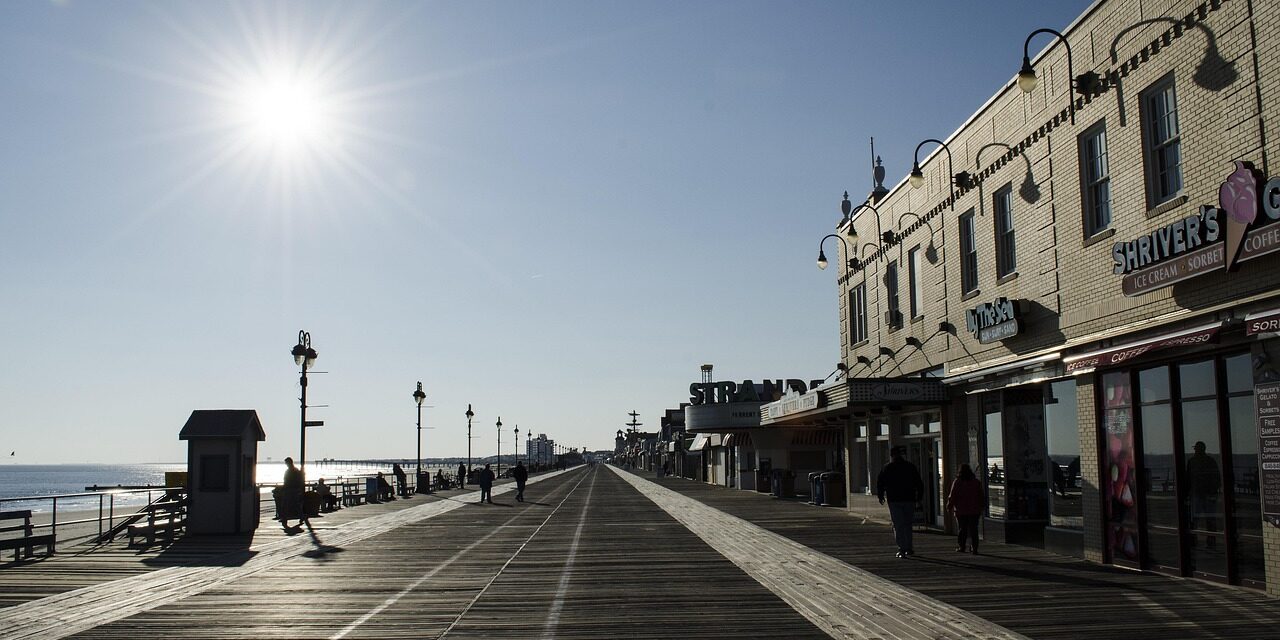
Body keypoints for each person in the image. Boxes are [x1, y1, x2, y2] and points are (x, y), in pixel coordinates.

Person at [877, 445, 924, 558]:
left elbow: (880, 483)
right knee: (908, 524)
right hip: (909, 498)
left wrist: (880, 496)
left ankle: (901, 549)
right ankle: (909, 547)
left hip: (894, 499)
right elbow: (919, 482)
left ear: (891, 455)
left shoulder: (887, 468)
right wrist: (919, 496)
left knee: (898, 525)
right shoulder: (910, 467)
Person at [1186, 441, 1222, 547]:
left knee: (1195, 520)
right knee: (1209, 519)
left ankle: (1196, 540)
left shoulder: (1192, 461)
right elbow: (1216, 477)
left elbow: (1188, 479)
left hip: (1199, 494)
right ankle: (1210, 540)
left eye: (1196, 449)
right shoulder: (1210, 461)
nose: (1195, 451)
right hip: (1204, 494)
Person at [946, 464, 984, 554]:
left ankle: (962, 546)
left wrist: (949, 505)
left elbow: (953, 495)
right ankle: (974, 548)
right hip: (974, 510)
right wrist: (982, 506)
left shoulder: (957, 482)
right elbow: (981, 495)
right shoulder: (976, 482)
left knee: (962, 529)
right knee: (973, 529)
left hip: (961, 510)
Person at [280, 457, 305, 530]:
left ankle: (285, 519)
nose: (286, 464)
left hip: (290, 489)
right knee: (295, 504)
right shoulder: (295, 470)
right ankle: (301, 516)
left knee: (286, 505)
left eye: (286, 463)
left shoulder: (290, 471)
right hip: (294, 489)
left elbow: (286, 481)